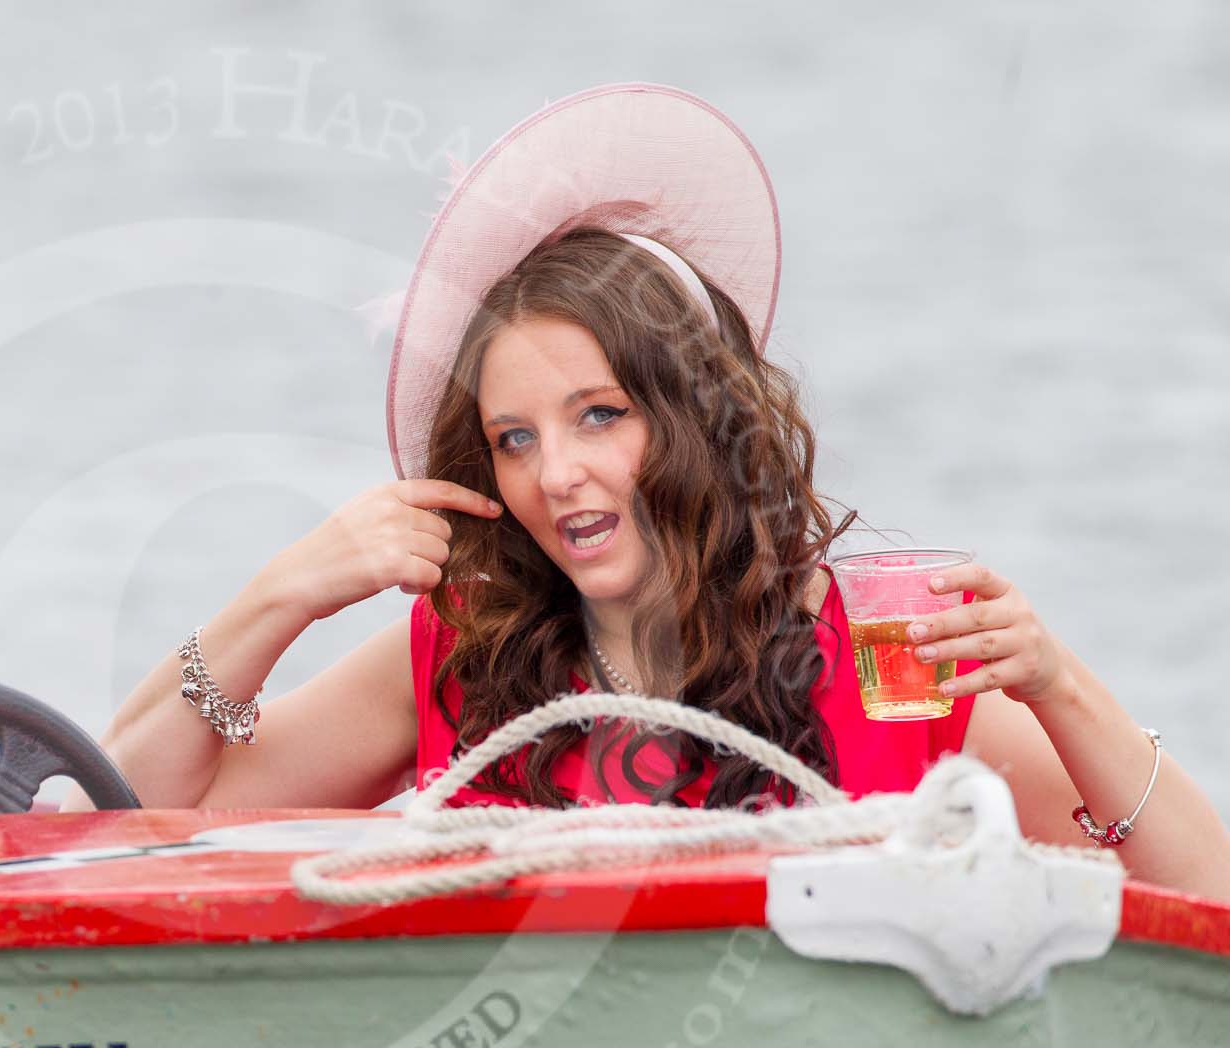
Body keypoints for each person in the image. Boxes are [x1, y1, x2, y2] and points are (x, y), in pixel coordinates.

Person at [97, 85, 1230, 900]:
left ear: (695, 417)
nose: (556, 474)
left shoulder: (887, 662)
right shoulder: (459, 652)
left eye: (600, 416)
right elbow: (130, 822)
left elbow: (1204, 900)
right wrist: (280, 595)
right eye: (512, 438)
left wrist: (1057, 686)